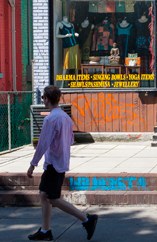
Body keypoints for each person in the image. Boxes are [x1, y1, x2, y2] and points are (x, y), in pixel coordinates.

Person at [27, 85, 98, 241]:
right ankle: (45, 231)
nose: (43, 101)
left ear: (46, 99)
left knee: (52, 197)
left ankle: (86, 219)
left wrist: (33, 164)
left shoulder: (50, 119)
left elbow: (43, 144)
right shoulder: (65, 117)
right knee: (44, 193)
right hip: (61, 161)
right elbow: (71, 139)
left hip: (53, 163)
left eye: (43, 98)